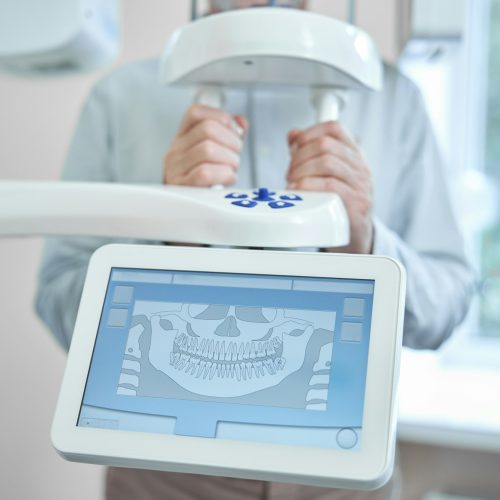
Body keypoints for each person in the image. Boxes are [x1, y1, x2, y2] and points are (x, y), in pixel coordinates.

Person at [36, 1, 474, 498]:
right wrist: (169, 236)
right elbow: (58, 301)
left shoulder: (395, 99)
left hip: (343, 471)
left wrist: (362, 241)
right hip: (163, 473)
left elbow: (448, 305)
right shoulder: (121, 98)